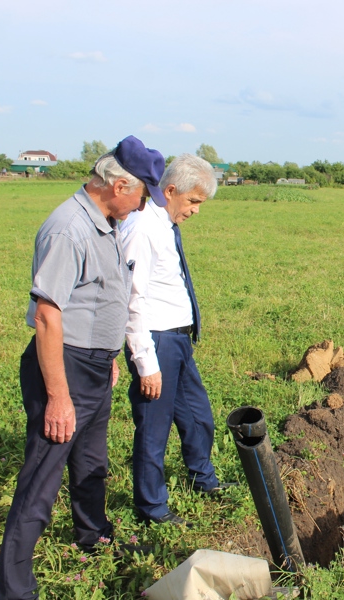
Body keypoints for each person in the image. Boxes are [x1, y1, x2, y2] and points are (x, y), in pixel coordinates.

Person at [0, 136, 166, 600]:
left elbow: (98, 299)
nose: (145, 204)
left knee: (91, 461)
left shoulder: (107, 224)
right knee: (41, 479)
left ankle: (95, 539)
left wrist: (108, 356)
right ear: (118, 184)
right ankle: (14, 588)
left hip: (93, 366)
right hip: (64, 368)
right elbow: (49, 316)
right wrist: (58, 395)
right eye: (143, 194)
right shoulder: (68, 229)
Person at [121, 154, 233, 526]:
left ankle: (205, 480)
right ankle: (152, 509)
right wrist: (146, 363)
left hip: (178, 340)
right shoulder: (141, 228)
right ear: (170, 190)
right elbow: (132, 301)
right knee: (154, 428)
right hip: (156, 341)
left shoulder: (165, 225)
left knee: (198, 416)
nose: (197, 211)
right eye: (194, 201)